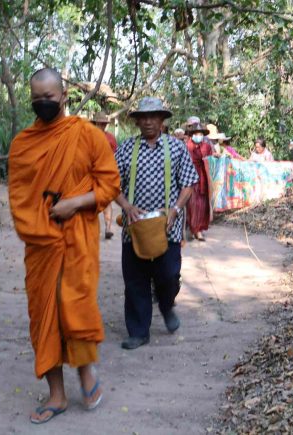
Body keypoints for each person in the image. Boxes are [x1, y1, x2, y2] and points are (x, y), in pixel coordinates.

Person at [8, 67, 120, 424]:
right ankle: (56, 394)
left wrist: (74, 203)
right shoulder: (23, 144)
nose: (43, 103)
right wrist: (40, 225)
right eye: (37, 99)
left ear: (64, 97)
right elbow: (19, 198)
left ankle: (86, 374)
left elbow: (109, 185)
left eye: (49, 98)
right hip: (40, 244)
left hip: (78, 240)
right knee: (44, 316)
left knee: (76, 306)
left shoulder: (86, 136)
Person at [114, 97, 199, 350]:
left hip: (168, 226)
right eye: (144, 117)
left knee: (168, 275)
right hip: (135, 227)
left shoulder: (176, 148)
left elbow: (188, 184)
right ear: (138, 121)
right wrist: (126, 206)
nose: (149, 121)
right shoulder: (126, 148)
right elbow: (109, 184)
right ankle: (139, 332)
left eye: (154, 116)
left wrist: (175, 210)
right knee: (135, 279)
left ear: (162, 120)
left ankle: (167, 304)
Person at [91, 112, 118, 240]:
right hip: (90, 173)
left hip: (106, 172)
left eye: (104, 124)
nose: (102, 125)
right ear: (95, 123)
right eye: (100, 123)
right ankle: (92, 229)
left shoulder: (111, 138)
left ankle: (108, 228)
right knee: (91, 200)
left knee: (106, 199)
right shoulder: (88, 135)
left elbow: (115, 156)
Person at [186, 122, 213, 240]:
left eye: (200, 133)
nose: (198, 135)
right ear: (192, 135)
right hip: (191, 177)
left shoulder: (207, 146)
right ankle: (193, 229)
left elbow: (210, 159)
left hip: (203, 177)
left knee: (203, 205)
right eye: (196, 133)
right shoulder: (187, 146)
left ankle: (199, 230)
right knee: (192, 204)